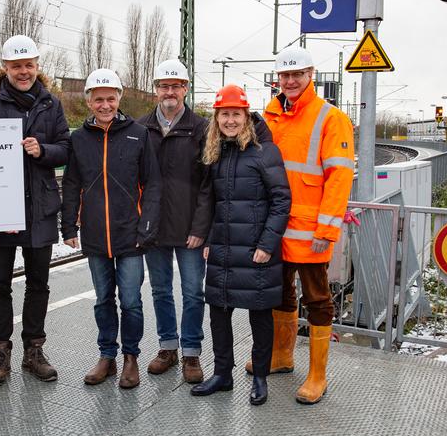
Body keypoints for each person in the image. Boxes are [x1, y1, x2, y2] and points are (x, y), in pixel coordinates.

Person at [251, 47, 355, 405]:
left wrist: (327, 229)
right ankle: (281, 357)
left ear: (311, 74)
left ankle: (318, 375)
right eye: (285, 75)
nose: (291, 81)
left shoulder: (330, 118)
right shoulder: (269, 116)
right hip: (276, 226)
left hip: (310, 230)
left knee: (318, 299)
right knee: (280, 293)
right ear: (277, 79)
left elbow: (339, 176)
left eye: (298, 75)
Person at [0, 35, 70, 386]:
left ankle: (34, 350)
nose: (23, 71)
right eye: (16, 66)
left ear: (37, 67)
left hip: (40, 206)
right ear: (5, 69)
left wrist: (41, 150)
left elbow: (65, 149)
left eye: (29, 65)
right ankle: (0, 353)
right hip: (0, 206)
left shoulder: (51, 104)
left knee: (38, 283)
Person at [189, 85, 290, 406]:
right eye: (224, 115)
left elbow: (281, 201)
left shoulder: (265, 152)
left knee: (259, 315)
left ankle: (260, 377)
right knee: (218, 312)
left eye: (236, 114)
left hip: (257, 251)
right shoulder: (216, 152)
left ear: (246, 117)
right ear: (216, 118)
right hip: (223, 248)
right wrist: (207, 239)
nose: (230, 121)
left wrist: (267, 244)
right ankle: (223, 374)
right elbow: (213, 201)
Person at [61, 68, 161, 389]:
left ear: (119, 98)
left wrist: (146, 225)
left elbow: (152, 184)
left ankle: (131, 357)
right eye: (98, 99)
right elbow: (72, 183)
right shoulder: (79, 138)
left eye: (111, 98)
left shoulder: (138, 133)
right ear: (89, 101)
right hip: (94, 235)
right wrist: (68, 226)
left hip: (130, 234)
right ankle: (107, 355)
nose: (105, 105)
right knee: (103, 299)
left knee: (130, 300)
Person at [138, 59, 210, 384]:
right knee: (160, 290)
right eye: (164, 86)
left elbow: (210, 185)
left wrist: (201, 228)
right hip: (154, 227)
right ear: (156, 90)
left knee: (194, 291)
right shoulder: (140, 129)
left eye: (176, 85)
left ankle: (191, 352)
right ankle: (167, 347)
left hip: (189, 227)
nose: (170, 91)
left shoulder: (202, 129)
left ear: (185, 88)